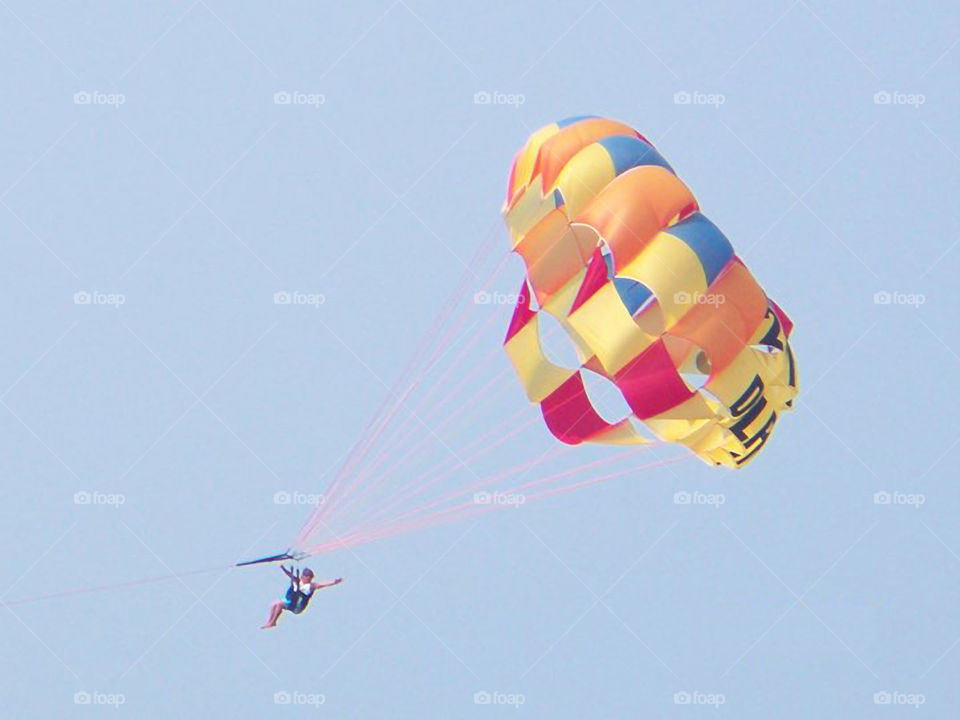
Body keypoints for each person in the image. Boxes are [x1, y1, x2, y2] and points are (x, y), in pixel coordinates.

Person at [260, 565, 342, 629]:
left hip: (297, 606)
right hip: (290, 601)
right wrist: (282, 567)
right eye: (308, 577)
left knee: (279, 605)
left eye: (310, 578)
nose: (309, 579)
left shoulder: (311, 586)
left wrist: (334, 582)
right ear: (303, 576)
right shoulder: (297, 580)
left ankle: (273, 622)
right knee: (274, 604)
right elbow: (289, 574)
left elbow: (322, 584)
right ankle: (269, 621)